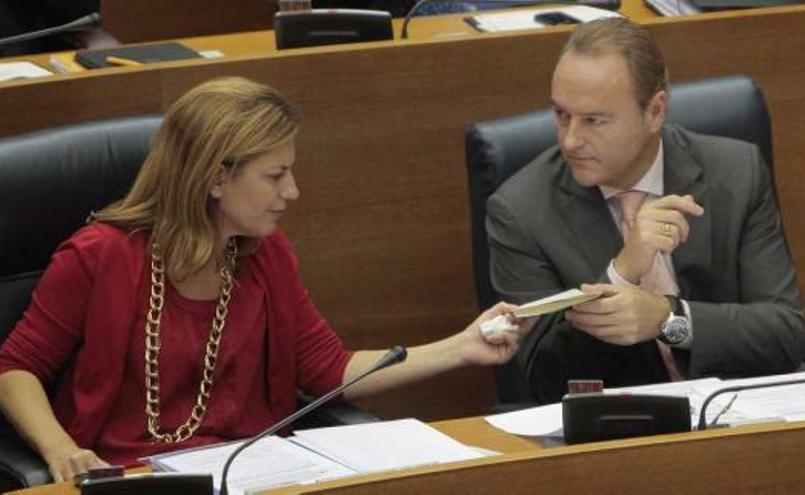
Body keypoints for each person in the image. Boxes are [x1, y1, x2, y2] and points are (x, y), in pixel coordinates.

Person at [0, 76, 530, 482]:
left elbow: (329, 369)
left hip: (251, 474)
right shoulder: (100, 257)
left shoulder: (265, 256)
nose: (292, 191)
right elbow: (16, 367)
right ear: (215, 178)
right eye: (275, 175)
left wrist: (462, 347)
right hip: (130, 478)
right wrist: (59, 449)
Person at [486, 18, 805, 403]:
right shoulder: (520, 211)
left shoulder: (738, 172)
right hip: (621, 431)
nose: (571, 140)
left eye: (595, 121)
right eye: (561, 115)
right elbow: (544, 380)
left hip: (745, 410)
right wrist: (622, 273)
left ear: (655, 111)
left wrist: (667, 318)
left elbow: (786, 331)